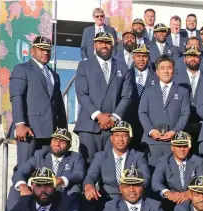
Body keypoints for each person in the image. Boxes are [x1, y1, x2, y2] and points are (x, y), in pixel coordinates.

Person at [74, 31, 132, 165]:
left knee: (110, 168)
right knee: (87, 166)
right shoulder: (84, 65)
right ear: (95, 45)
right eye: (100, 42)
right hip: (89, 125)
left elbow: (127, 96)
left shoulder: (123, 68)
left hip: (113, 127)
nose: (104, 45)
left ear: (113, 45)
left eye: (107, 42)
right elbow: (82, 94)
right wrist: (99, 115)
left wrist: (114, 118)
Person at [9, 36, 67, 166]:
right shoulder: (22, 69)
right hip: (29, 130)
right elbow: (16, 96)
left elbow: (59, 105)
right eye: (41, 49)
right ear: (32, 51)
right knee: (25, 168)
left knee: (44, 172)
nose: (46, 52)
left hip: (51, 132)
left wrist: (63, 130)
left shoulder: (54, 75)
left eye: (48, 50)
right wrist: (20, 124)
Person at [82, 121, 151, 211]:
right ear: (111, 138)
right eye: (117, 135)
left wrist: (127, 188)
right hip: (107, 199)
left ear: (129, 138)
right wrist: (88, 186)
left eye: (124, 135)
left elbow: (145, 178)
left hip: (131, 197)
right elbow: (91, 176)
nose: (121, 139)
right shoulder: (101, 157)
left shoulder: (138, 156)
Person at [8, 128, 84, 211]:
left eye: (62, 142)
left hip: (62, 192)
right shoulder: (40, 155)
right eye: (55, 140)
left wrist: (61, 180)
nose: (57, 144)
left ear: (69, 146)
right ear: (51, 141)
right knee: (15, 189)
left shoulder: (75, 157)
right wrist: (23, 187)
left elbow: (79, 174)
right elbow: (20, 172)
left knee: (75, 189)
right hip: (40, 192)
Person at [138, 55, 191, 168]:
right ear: (157, 72)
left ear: (174, 70)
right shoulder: (148, 91)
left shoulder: (183, 92)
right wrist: (151, 131)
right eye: (162, 68)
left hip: (173, 142)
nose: (166, 71)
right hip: (152, 142)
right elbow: (142, 113)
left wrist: (175, 131)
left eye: (169, 68)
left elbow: (185, 114)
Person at [151, 132, 203, 211]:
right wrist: (168, 193)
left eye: (185, 146)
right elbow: (155, 182)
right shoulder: (163, 161)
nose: (182, 149)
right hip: (171, 201)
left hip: (192, 199)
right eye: (178, 146)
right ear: (172, 147)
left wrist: (189, 193)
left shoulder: (198, 161)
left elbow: (202, 181)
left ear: (189, 147)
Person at [174, 45, 203, 148]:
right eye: (189, 56)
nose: (192, 58)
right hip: (183, 124)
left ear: (200, 59)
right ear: (184, 60)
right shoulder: (176, 79)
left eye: (195, 56)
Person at [126, 44, 159, 148]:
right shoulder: (126, 74)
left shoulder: (156, 77)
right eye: (138, 56)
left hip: (148, 125)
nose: (141, 59)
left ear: (148, 57)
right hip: (129, 121)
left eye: (144, 56)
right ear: (133, 57)